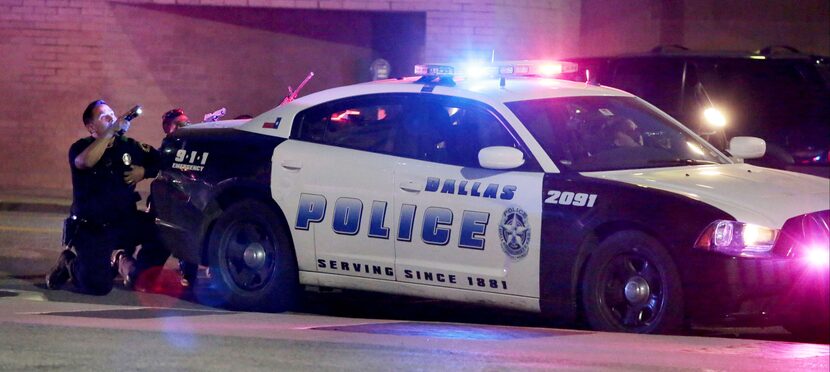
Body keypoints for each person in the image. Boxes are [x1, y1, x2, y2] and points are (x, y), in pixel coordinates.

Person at [46, 99, 170, 295]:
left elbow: (163, 160)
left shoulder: (130, 146)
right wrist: (111, 131)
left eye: (113, 115)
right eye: (105, 117)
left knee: (166, 231)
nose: (113, 118)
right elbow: (85, 162)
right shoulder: (81, 147)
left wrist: (145, 171)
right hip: (93, 227)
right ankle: (69, 263)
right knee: (98, 286)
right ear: (91, 127)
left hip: (124, 221)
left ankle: (137, 272)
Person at [159, 108, 199, 288]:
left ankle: (189, 273)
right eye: (179, 124)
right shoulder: (168, 146)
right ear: (168, 127)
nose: (185, 126)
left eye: (187, 122)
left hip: (188, 199)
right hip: (167, 200)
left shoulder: (192, 144)